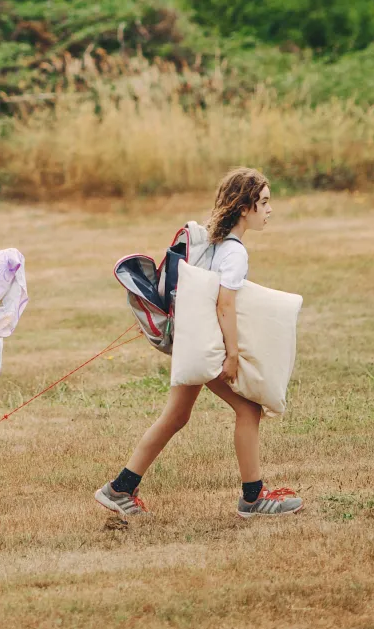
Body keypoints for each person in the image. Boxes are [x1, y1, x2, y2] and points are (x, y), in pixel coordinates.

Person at [95, 168, 304, 519]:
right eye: (264, 203)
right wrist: (233, 355)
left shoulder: (214, 242)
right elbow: (224, 305)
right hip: (206, 346)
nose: (270, 210)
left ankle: (120, 488)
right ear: (244, 208)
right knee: (248, 410)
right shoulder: (235, 253)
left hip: (191, 340)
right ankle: (253, 498)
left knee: (176, 415)